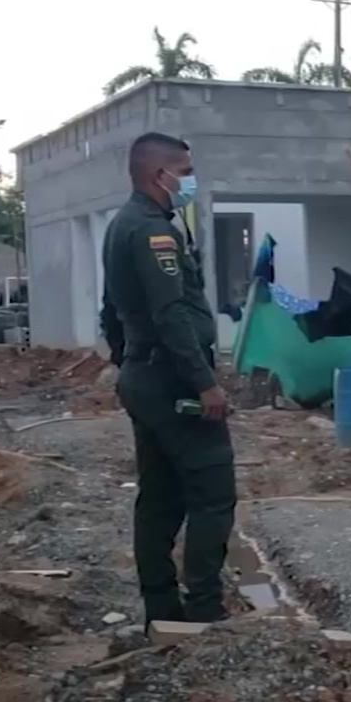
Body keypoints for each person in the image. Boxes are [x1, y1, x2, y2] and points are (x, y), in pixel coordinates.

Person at [99, 132, 235, 625]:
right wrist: (203, 382)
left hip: (145, 374)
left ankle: (161, 607)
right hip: (173, 380)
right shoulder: (154, 231)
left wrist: (129, 363)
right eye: (185, 171)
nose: (191, 181)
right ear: (161, 175)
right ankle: (204, 609)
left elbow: (110, 311)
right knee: (213, 491)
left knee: (158, 497)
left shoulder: (122, 225)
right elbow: (171, 312)